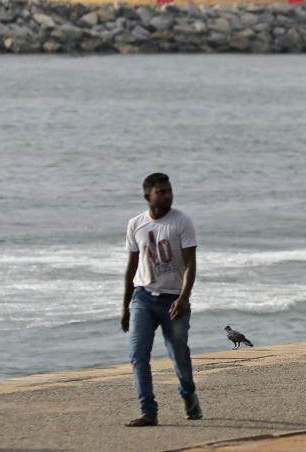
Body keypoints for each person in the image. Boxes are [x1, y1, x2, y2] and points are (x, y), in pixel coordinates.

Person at [121, 172, 202, 426]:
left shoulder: (182, 221)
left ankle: (188, 395)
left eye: (169, 191)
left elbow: (190, 264)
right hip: (143, 298)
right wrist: (125, 306)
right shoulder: (136, 224)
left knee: (179, 355)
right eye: (162, 192)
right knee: (138, 354)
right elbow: (132, 265)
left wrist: (184, 298)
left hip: (173, 300)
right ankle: (149, 411)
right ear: (148, 196)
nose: (168, 196)